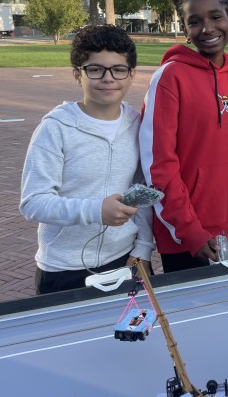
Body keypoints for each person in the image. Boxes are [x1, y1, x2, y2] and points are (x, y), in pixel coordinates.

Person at [20, 25, 154, 295]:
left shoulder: (138, 126)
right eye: (95, 69)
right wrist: (96, 210)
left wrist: (143, 249)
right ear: (77, 75)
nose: (108, 79)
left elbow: (142, 193)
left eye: (118, 69)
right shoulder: (55, 128)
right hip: (63, 268)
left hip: (124, 260)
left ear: (132, 75)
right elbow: (33, 202)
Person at [139, 0, 228, 272]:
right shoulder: (169, 77)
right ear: (185, 29)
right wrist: (189, 231)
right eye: (195, 21)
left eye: (215, 17)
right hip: (186, 233)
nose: (208, 28)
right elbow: (157, 163)